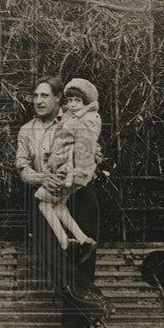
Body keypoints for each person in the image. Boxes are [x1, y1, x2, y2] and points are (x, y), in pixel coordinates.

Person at [16, 75, 110, 328]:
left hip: (78, 196)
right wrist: (42, 177)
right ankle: (95, 309)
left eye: (45, 96)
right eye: (35, 96)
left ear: (59, 99)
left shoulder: (77, 120)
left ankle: (79, 327)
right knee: (56, 261)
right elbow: (22, 168)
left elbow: (92, 155)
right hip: (46, 197)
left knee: (82, 258)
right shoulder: (26, 130)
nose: (39, 101)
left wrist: (77, 174)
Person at [34, 78, 102, 251]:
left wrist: (78, 173)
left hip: (69, 171)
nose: (72, 104)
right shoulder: (74, 116)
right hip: (64, 167)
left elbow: (85, 148)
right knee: (59, 204)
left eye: (77, 101)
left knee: (44, 203)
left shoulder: (86, 120)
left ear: (86, 102)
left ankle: (64, 241)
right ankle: (82, 239)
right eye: (70, 100)